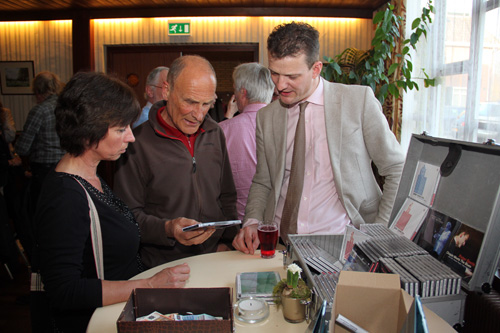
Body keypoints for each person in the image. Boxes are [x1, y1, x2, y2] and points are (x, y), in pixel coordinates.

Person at [34, 72, 190, 332]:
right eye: (121, 129)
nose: (131, 137)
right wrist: (150, 284)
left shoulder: (92, 175)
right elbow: (64, 290)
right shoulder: (65, 197)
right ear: (87, 133)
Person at [233, 22, 405, 254]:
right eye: (274, 73)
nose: (280, 85)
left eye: (292, 76)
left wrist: (379, 232)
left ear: (316, 69)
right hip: (281, 244)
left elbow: (396, 168)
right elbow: (263, 179)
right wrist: (252, 220)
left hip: (343, 243)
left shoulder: (358, 101)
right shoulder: (266, 117)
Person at [114, 55, 239, 269]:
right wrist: (168, 229)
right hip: (161, 266)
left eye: (206, 104)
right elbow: (127, 216)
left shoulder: (215, 133)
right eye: (189, 102)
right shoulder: (136, 143)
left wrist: (228, 241)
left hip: (213, 259)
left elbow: (226, 196)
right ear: (167, 90)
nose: (198, 115)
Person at [219, 62, 274, 221]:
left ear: (242, 93)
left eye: (234, 89)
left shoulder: (222, 130)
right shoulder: (288, 125)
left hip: (237, 222)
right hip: (276, 223)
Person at [15, 71, 66, 211]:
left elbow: (22, 147)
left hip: (44, 169)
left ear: (37, 90)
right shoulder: (67, 108)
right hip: (67, 165)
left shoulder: (39, 110)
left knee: (42, 211)